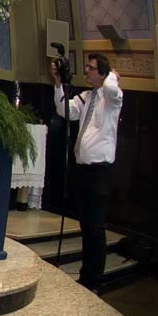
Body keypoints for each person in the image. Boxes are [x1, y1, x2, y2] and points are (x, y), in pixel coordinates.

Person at [53, 52, 123, 291]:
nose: (87, 71)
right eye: (86, 68)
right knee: (86, 226)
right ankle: (85, 276)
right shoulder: (85, 97)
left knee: (96, 228)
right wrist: (58, 82)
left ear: (102, 73)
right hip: (82, 171)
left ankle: (95, 281)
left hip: (99, 174)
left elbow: (113, 91)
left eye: (91, 68)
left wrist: (112, 75)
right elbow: (65, 111)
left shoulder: (111, 98)